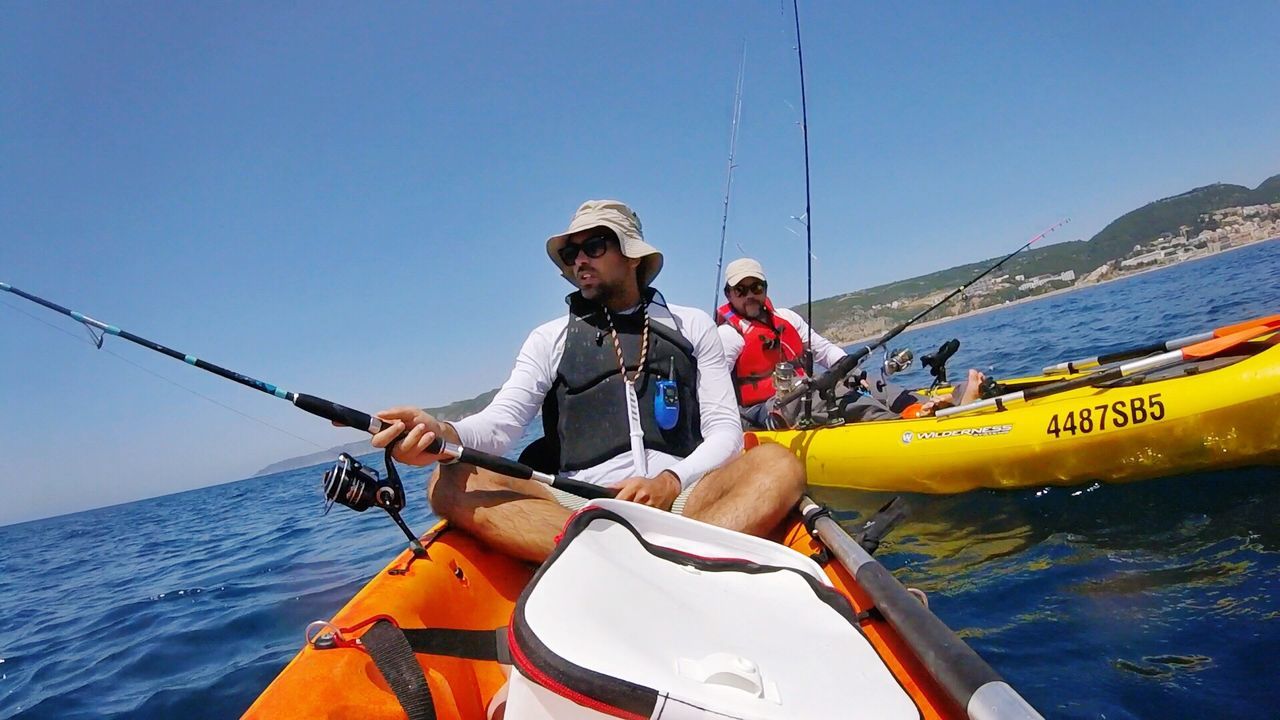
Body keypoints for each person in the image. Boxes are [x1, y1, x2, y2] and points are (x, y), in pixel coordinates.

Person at [370, 200, 806, 563]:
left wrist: (671, 480)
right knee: (450, 481)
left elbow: (726, 431)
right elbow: (499, 425)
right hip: (580, 507)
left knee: (779, 464)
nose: (579, 260)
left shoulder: (692, 326)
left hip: (686, 495)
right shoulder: (549, 338)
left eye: (594, 246)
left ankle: (636, 562)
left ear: (633, 255)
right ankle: (649, 559)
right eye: (570, 254)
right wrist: (441, 433)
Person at [715, 258, 985, 428]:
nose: (750, 295)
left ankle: (937, 401)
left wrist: (853, 372)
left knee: (868, 383)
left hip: (805, 390)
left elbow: (825, 351)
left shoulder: (786, 318)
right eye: (741, 290)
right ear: (729, 294)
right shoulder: (729, 336)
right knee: (842, 399)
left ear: (765, 288)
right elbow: (714, 391)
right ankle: (908, 426)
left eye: (756, 288)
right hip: (768, 408)